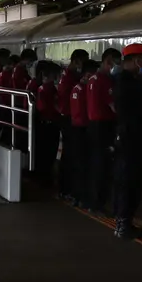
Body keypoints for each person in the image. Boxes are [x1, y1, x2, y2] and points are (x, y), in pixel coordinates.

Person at [112, 43, 142, 240]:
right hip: (132, 140)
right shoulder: (127, 82)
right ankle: (124, 223)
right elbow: (137, 111)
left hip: (132, 138)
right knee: (130, 181)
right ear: (135, 60)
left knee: (130, 181)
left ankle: (124, 221)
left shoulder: (128, 81)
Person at [86, 48, 121, 214]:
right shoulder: (105, 81)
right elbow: (113, 106)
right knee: (103, 167)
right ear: (108, 61)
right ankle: (98, 204)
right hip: (103, 127)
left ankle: (93, 201)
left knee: (94, 164)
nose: (116, 67)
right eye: (115, 63)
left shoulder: (91, 78)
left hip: (92, 126)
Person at [57, 49, 89, 203]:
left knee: (69, 155)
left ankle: (66, 188)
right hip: (70, 119)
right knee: (70, 156)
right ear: (76, 60)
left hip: (70, 119)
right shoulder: (71, 78)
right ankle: (66, 189)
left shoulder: (67, 76)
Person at [69, 60, 100, 208]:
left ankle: (79, 195)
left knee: (82, 165)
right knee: (82, 165)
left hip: (80, 129)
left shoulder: (79, 88)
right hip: (81, 130)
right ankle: (80, 196)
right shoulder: (81, 90)